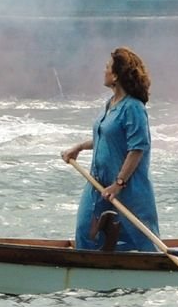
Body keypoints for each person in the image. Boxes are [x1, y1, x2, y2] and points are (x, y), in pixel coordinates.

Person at [61, 47, 159, 252]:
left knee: (141, 239)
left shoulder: (134, 108)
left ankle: (147, 274)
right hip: (98, 183)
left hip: (127, 187)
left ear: (116, 75)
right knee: (85, 231)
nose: (103, 71)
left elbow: (137, 149)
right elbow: (105, 137)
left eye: (107, 67)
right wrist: (79, 147)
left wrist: (119, 184)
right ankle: (87, 273)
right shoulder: (111, 104)